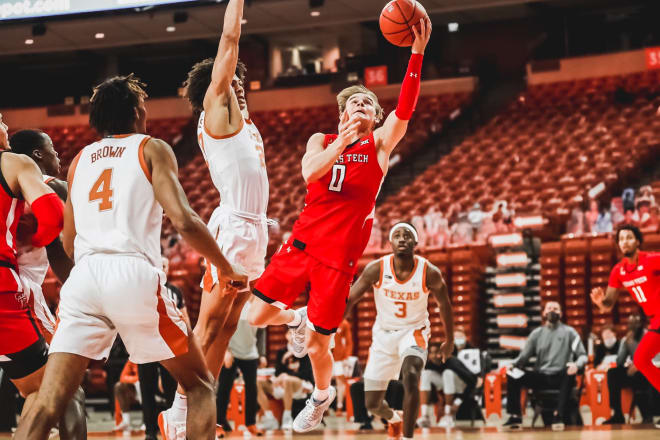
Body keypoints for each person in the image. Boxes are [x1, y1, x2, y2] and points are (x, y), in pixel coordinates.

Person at [13, 74, 246, 440]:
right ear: (139, 111)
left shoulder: (79, 161)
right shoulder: (152, 148)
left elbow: (69, 242)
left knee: (47, 402)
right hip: (131, 273)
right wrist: (226, 266)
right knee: (200, 385)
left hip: (84, 278)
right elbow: (184, 219)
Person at [247, 16, 433, 434]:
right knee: (255, 314)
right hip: (302, 242)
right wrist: (341, 143)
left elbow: (405, 108)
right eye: (354, 103)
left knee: (319, 345)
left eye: (368, 103)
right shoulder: (321, 140)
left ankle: (320, 397)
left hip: (339, 258)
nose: (361, 107)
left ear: (375, 115)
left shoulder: (381, 143)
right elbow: (310, 173)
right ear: (341, 113)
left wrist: (416, 54)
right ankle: (294, 319)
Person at [160, 2, 269, 437]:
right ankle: (177, 412)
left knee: (226, 331)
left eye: (242, 81)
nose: (240, 85)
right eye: (232, 79)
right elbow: (229, 41)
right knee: (208, 327)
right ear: (216, 85)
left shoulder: (242, 120)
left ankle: (202, 417)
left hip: (256, 228)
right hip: (235, 228)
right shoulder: (215, 107)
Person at [0, 117, 85, 440]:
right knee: (63, 388)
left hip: (17, 289)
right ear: (37, 156)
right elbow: (57, 246)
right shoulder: (43, 181)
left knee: (36, 390)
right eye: (52, 151)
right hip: (18, 292)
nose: (58, 157)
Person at [344, 222, 454, 440]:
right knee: (373, 404)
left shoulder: (429, 272)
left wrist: (449, 340)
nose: (402, 239)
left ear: (415, 242)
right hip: (383, 335)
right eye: (397, 235)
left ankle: (407, 437)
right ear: (390, 242)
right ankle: (394, 419)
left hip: (414, 331)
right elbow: (351, 298)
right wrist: (334, 323)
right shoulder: (376, 268)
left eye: (407, 235)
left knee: (411, 375)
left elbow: (444, 305)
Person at [591, 225, 660, 427]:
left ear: (638, 241)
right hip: (655, 319)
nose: (625, 242)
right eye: (621, 239)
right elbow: (608, 304)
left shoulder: (651, 259)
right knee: (640, 358)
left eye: (629, 237)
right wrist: (600, 302)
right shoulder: (618, 271)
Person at [501, 301, 587, 431]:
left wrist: (576, 364)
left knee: (569, 372)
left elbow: (583, 356)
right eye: (549, 308)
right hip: (541, 377)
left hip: (561, 376)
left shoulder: (570, 332)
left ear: (561, 313)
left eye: (556, 308)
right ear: (544, 313)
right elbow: (523, 357)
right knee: (513, 373)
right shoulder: (537, 334)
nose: (552, 311)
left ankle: (559, 415)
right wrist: (512, 365)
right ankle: (515, 416)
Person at [138, 257, 187, 440]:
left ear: (168, 268)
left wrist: (186, 341)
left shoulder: (175, 291)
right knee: (147, 389)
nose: (163, 268)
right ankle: (150, 431)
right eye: (160, 265)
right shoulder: (141, 289)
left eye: (165, 265)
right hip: (146, 344)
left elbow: (184, 317)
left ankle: (173, 426)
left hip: (169, 345)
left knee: (171, 388)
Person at [216, 297, 266, 437]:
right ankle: (218, 424)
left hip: (250, 353)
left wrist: (262, 353)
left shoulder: (260, 305)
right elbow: (222, 328)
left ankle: (251, 424)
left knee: (252, 389)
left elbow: (262, 331)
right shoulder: (235, 303)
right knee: (224, 388)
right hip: (231, 352)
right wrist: (225, 351)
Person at [417, 330, 481, 428]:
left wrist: (458, 401)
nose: (435, 356)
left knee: (448, 373)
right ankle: (425, 416)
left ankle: (448, 416)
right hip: (447, 385)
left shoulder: (452, 362)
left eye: (437, 352)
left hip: (461, 386)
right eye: (432, 353)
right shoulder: (429, 364)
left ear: (443, 353)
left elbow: (473, 381)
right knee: (425, 374)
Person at [257, 330, 314, 431]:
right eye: (290, 334)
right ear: (286, 336)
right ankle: (270, 418)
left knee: (287, 380)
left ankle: (287, 418)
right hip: (283, 385)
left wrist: (286, 375)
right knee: (258, 382)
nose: (293, 336)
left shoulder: (305, 352)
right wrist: (282, 369)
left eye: (295, 334)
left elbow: (306, 374)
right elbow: (278, 372)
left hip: (301, 386)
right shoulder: (281, 351)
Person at [603, 313, 654, 424]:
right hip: (634, 372)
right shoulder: (628, 339)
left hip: (650, 372)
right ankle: (617, 414)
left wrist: (640, 365)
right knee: (613, 373)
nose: (633, 326)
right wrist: (625, 343)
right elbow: (619, 361)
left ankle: (649, 415)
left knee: (642, 376)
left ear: (642, 324)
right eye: (630, 323)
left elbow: (657, 359)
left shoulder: (650, 336)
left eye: (636, 323)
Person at [332, 319, 353, 415]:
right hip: (328, 356)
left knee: (340, 383)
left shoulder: (344, 323)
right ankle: (327, 408)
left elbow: (348, 342)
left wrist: (346, 357)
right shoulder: (326, 320)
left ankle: (339, 407)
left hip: (340, 359)